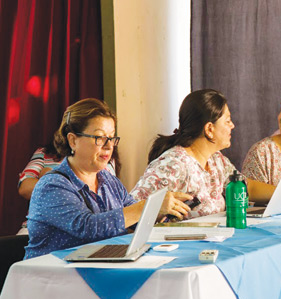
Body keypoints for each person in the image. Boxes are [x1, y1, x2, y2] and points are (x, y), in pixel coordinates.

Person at [24, 99, 192, 259]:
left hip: (95, 269)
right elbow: (88, 227)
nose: (109, 145)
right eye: (100, 137)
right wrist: (146, 206)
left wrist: (160, 210)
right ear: (73, 140)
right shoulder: (52, 185)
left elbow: (133, 221)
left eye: (112, 138)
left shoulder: (108, 180)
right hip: (52, 278)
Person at [131, 89, 281, 217]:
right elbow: (131, 210)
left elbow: (248, 188)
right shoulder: (173, 165)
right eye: (227, 121)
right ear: (209, 129)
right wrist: (157, 208)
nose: (233, 126)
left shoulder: (217, 160)